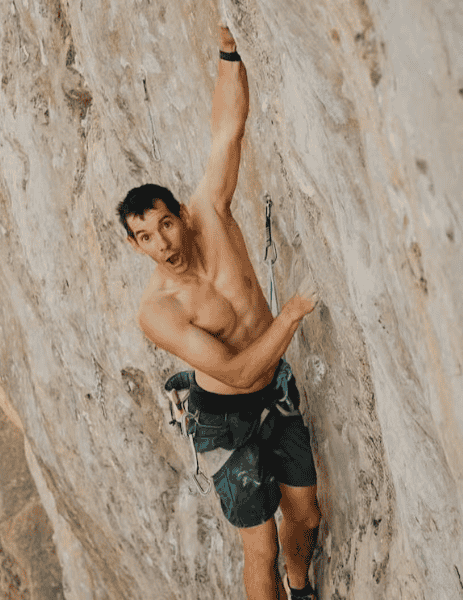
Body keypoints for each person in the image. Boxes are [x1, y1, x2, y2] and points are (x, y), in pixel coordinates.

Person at [116, 24, 321, 600]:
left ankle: (301, 586)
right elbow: (233, 372)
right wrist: (290, 317)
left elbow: (228, 130)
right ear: (136, 247)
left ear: (180, 213)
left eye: (165, 224)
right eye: (145, 238)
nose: (162, 242)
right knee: (260, 550)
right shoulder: (158, 311)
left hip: (273, 388)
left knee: (305, 516)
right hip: (224, 420)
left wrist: (229, 49)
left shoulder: (212, 212)